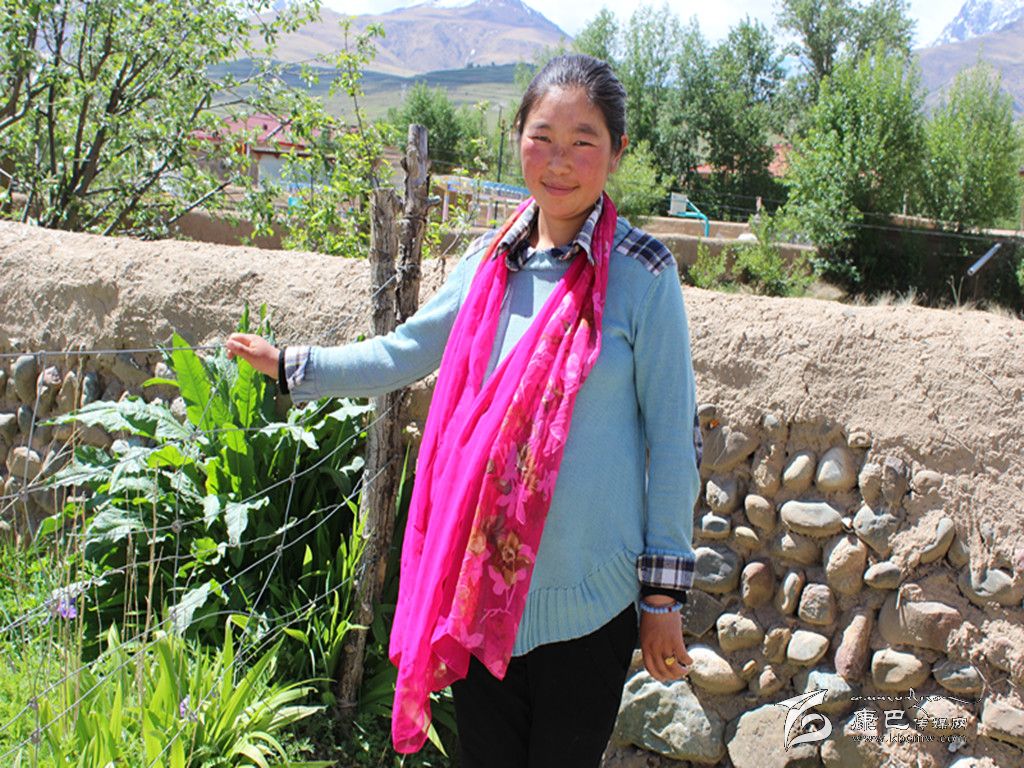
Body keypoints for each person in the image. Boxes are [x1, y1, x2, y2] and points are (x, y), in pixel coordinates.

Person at [226, 53, 701, 768]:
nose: (559, 161)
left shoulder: (642, 275)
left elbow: (672, 442)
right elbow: (404, 352)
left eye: (583, 141)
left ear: (617, 152)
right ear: (518, 139)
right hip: (479, 594)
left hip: (589, 607)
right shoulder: (489, 263)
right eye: (542, 137)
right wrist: (294, 365)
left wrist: (662, 600)